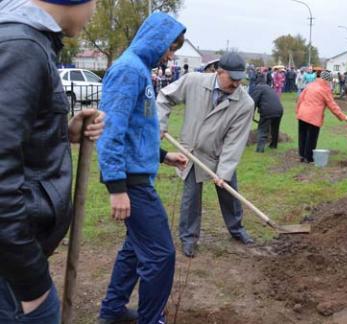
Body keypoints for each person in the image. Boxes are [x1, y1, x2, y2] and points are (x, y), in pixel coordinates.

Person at [0, 1, 105, 323]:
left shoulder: (24, 39)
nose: (94, 12)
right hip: (11, 270)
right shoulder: (22, 46)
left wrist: (61, 131)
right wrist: (31, 282)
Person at [96, 13, 187, 324]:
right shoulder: (128, 70)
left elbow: (136, 129)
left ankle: (112, 312)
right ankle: (151, 319)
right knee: (161, 255)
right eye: (169, 47)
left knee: (135, 249)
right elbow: (111, 130)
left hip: (136, 174)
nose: (170, 55)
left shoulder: (140, 70)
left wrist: (162, 156)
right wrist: (117, 188)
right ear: (156, 40)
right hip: (131, 184)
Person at [157, 52, 256, 258]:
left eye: (240, 79)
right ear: (219, 72)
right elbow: (164, 97)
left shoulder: (245, 103)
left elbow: (234, 141)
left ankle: (236, 228)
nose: (237, 83)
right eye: (232, 78)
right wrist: (160, 124)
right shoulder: (194, 81)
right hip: (191, 152)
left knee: (228, 191)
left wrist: (224, 171)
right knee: (191, 197)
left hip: (218, 153)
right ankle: (189, 238)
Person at [296, 70, 347, 163]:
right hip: (314, 116)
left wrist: (297, 111)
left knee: (302, 135)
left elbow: (300, 98)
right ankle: (309, 158)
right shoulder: (325, 89)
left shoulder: (310, 85)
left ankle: (302, 156)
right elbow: (332, 105)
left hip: (302, 114)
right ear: (328, 80)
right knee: (311, 138)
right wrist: (343, 116)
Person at [250, 74, 284, 152]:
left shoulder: (258, 88)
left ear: (257, 82)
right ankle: (273, 145)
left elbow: (252, 102)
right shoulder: (269, 88)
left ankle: (260, 149)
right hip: (279, 110)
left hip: (267, 111)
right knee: (275, 129)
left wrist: (251, 114)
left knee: (262, 129)